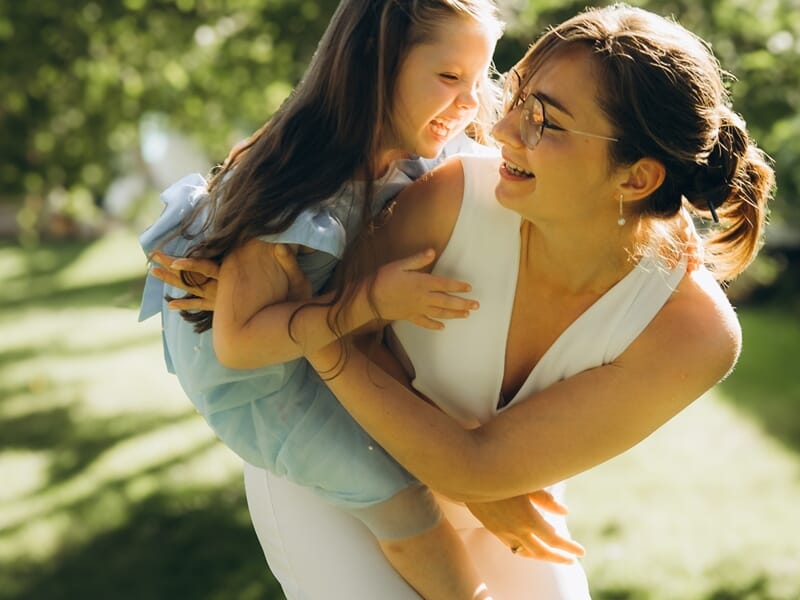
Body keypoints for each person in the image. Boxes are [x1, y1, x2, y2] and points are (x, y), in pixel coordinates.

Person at [154, 4, 774, 598]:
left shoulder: (690, 333)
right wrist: (259, 289)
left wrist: (311, 324)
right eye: (520, 97)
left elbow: (475, 461)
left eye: (545, 120)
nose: (499, 127)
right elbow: (303, 300)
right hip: (335, 466)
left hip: (501, 507)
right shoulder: (456, 196)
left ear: (637, 178)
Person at [139, 1, 577, 599]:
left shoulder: (418, 152)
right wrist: (366, 303)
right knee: (398, 498)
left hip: (310, 340)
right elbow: (240, 344)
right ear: (373, 65)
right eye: (450, 78)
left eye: (481, 79)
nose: (473, 102)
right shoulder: (297, 186)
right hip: (268, 389)